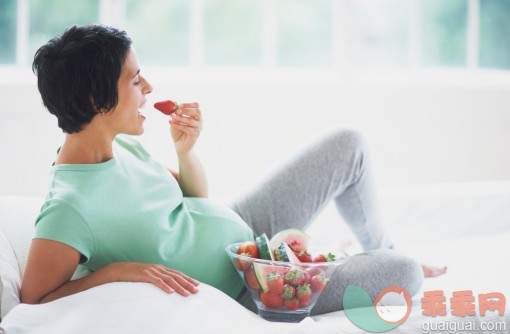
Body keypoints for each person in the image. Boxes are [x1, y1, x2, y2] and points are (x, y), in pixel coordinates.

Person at [21, 24, 445, 315]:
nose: (148, 89)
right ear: (98, 103)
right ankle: (354, 257)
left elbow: (193, 198)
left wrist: (187, 153)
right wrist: (116, 272)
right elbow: (35, 299)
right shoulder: (69, 208)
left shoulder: (120, 148)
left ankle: (377, 245)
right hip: (250, 284)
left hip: (244, 228)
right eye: (134, 81)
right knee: (403, 273)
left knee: (348, 144)